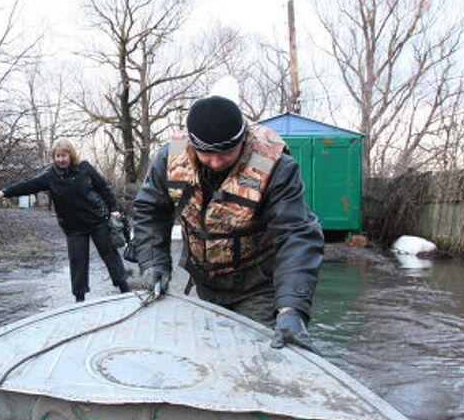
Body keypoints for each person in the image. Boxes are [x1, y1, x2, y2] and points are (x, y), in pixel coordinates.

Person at [132, 96, 324, 353]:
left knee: (256, 356)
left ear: (243, 140)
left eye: (225, 154)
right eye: (206, 155)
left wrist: (292, 308)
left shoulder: (277, 167)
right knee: (212, 352)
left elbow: (297, 234)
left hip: (258, 285)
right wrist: (154, 262)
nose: (216, 162)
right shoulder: (169, 158)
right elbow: (150, 210)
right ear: (192, 144)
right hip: (206, 282)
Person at [0, 138, 130, 303]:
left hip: (97, 221)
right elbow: (28, 185)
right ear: (54, 157)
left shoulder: (85, 168)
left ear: (71, 155)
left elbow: (103, 187)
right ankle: (79, 299)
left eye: (64, 155)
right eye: (57, 156)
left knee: (110, 255)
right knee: (77, 262)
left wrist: (114, 209)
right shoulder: (50, 176)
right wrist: (4, 192)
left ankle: (124, 289)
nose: (61, 159)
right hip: (73, 227)